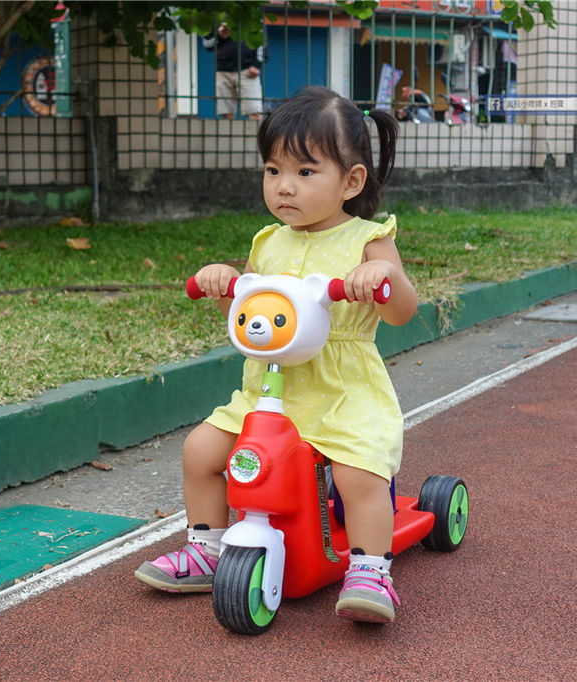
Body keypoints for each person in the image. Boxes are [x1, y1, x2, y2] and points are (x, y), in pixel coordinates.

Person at [134, 87, 418, 624]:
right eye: (272, 170)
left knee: (358, 473)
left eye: (305, 172)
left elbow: (402, 311)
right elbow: (255, 326)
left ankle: (371, 569)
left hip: (341, 392)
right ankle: (207, 547)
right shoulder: (269, 242)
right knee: (201, 451)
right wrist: (227, 291)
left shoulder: (369, 239)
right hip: (269, 392)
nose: (284, 186)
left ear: (351, 182)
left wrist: (385, 277)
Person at [201, 22, 266, 120]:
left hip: (247, 70)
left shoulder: (252, 14)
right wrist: (219, 35)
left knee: (254, 111)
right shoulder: (216, 16)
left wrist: (256, 65)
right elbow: (207, 44)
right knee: (226, 113)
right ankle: (228, 134)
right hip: (223, 70)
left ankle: (256, 134)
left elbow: (262, 41)